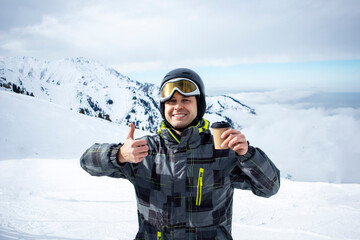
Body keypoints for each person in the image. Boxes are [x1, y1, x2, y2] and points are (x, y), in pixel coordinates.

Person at [80, 68, 280, 240]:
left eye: (186, 100)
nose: (178, 106)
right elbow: (87, 162)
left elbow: (270, 187)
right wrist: (119, 155)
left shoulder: (221, 151)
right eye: (171, 101)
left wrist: (247, 154)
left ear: (198, 106)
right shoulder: (143, 150)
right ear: (163, 107)